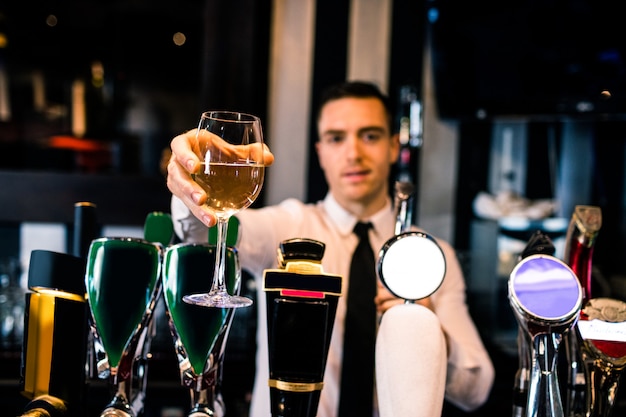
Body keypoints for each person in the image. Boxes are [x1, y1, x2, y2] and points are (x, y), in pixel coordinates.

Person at [166, 80, 495, 416]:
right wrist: (188, 190)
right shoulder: (288, 226)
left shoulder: (428, 257)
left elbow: (476, 389)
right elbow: (200, 232)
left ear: (394, 146)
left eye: (370, 135)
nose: (354, 153)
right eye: (337, 138)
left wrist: (427, 328)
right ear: (320, 151)